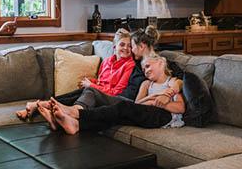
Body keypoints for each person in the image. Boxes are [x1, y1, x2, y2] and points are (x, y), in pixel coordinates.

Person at [38, 54, 185, 134]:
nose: (145, 71)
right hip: (145, 112)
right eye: (143, 68)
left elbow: (180, 108)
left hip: (164, 117)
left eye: (148, 66)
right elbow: (137, 104)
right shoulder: (146, 84)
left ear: (160, 63)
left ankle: (76, 114)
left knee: (122, 107)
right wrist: (153, 99)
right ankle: (73, 124)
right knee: (113, 115)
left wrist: (164, 102)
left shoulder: (172, 82)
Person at [16, 28, 135, 120]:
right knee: (76, 94)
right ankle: (43, 107)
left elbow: (117, 92)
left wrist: (92, 86)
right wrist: (89, 81)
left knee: (87, 92)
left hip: (108, 99)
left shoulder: (130, 65)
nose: (126, 48)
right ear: (115, 47)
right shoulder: (107, 62)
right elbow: (100, 81)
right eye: (122, 45)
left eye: (129, 46)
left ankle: (39, 105)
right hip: (95, 92)